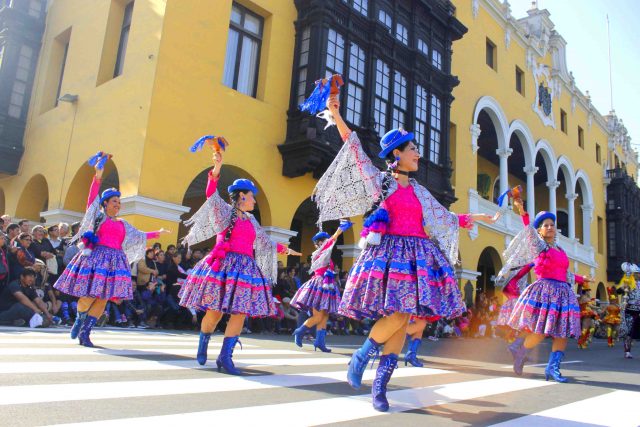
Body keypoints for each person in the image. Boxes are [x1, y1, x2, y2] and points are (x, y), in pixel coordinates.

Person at [310, 81, 498, 412]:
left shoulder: (420, 190)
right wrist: (336, 115)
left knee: (404, 317)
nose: (418, 154)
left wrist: (477, 216)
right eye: (413, 149)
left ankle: (379, 389)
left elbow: (443, 217)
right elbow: (353, 147)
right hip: (390, 254)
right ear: (396, 153)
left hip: (417, 257)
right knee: (398, 314)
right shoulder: (381, 181)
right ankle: (361, 356)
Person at [179, 142, 301, 375]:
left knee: (240, 313)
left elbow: (264, 242)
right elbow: (210, 194)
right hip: (224, 267)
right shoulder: (224, 211)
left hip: (245, 271)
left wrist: (286, 250)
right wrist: (217, 167)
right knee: (214, 314)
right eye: (252, 197)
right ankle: (204, 341)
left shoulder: (252, 220)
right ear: (242, 196)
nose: (254, 201)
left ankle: (225, 357)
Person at [54, 152, 168, 347]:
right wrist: (98, 176)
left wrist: (157, 233)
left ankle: (86, 333)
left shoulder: (123, 223)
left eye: (119, 202)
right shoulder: (98, 216)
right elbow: (92, 199)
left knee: (103, 299)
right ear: (105, 203)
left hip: (115, 262)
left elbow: (138, 235)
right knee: (88, 296)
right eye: (114, 201)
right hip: (96, 259)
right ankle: (79, 320)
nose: (118, 204)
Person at [500, 197, 592, 383]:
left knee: (562, 332)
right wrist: (521, 210)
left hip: (563, 294)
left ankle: (552, 368)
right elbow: (528, 230)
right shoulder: (539, 246)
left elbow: (564, 273)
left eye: (552, 225)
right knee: (541, 330)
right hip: (545, 292)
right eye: (545, 225)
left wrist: (582, 279)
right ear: (540, 230)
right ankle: (521, 352)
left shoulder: (560, 250)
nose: (550, 227)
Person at [291, 223, 351, 352]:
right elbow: (331, 242)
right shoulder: (320, 252)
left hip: (327, 285)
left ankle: (319, 342)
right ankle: (299, 332)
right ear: (319, 243)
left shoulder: (325, 253)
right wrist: (339, 230)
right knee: (318, 316)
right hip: (320, 285)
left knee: (324, 316)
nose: (328, 242)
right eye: (325, 240)